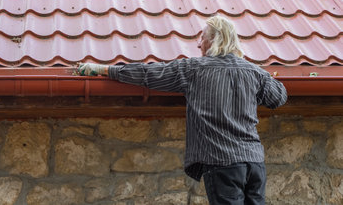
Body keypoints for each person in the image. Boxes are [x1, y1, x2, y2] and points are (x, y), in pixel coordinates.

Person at [77, 16, 287, 205]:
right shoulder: (254, 72)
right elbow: (279, 97)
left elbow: (149, 74)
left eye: (202, 37)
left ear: (215, 40)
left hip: (223, 163)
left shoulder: (194, 69)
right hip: (255, 163)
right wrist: (257, 81)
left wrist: (105, 69)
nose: (198, 43)